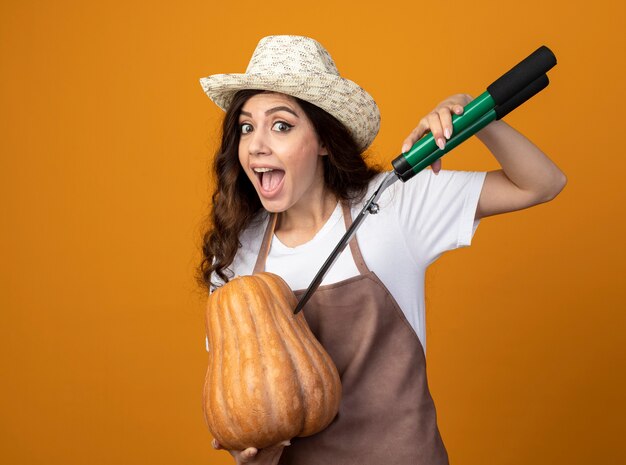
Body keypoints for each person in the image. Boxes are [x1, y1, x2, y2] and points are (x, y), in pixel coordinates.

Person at [197, 35, 566, 465]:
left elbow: (542, 183)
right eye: (246, 126)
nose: (257, 144)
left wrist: (477, 117)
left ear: (324, 141)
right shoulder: (236, 254)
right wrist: (251, 457)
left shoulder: (393, 203)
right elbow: (247, 406)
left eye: (281, 125)